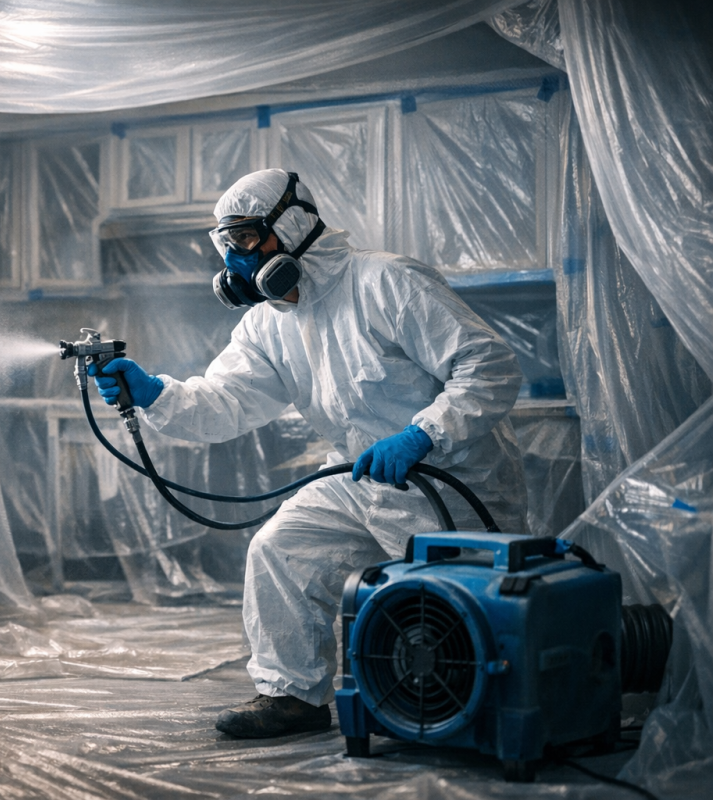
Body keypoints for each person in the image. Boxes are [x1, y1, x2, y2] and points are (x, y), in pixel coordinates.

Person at [91, 169, 528, 739]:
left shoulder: (387, 282)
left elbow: (489, 367)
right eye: (228, 245)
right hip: (360, 474)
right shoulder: (267, 326)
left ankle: (467, 710)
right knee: (280, 547)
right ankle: (291, 696)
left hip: (451, 481)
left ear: (293, 226)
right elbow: (226, 402)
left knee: (445, 621)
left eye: (246, 240)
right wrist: (154, 392)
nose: (236, 261)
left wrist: (423, 435)